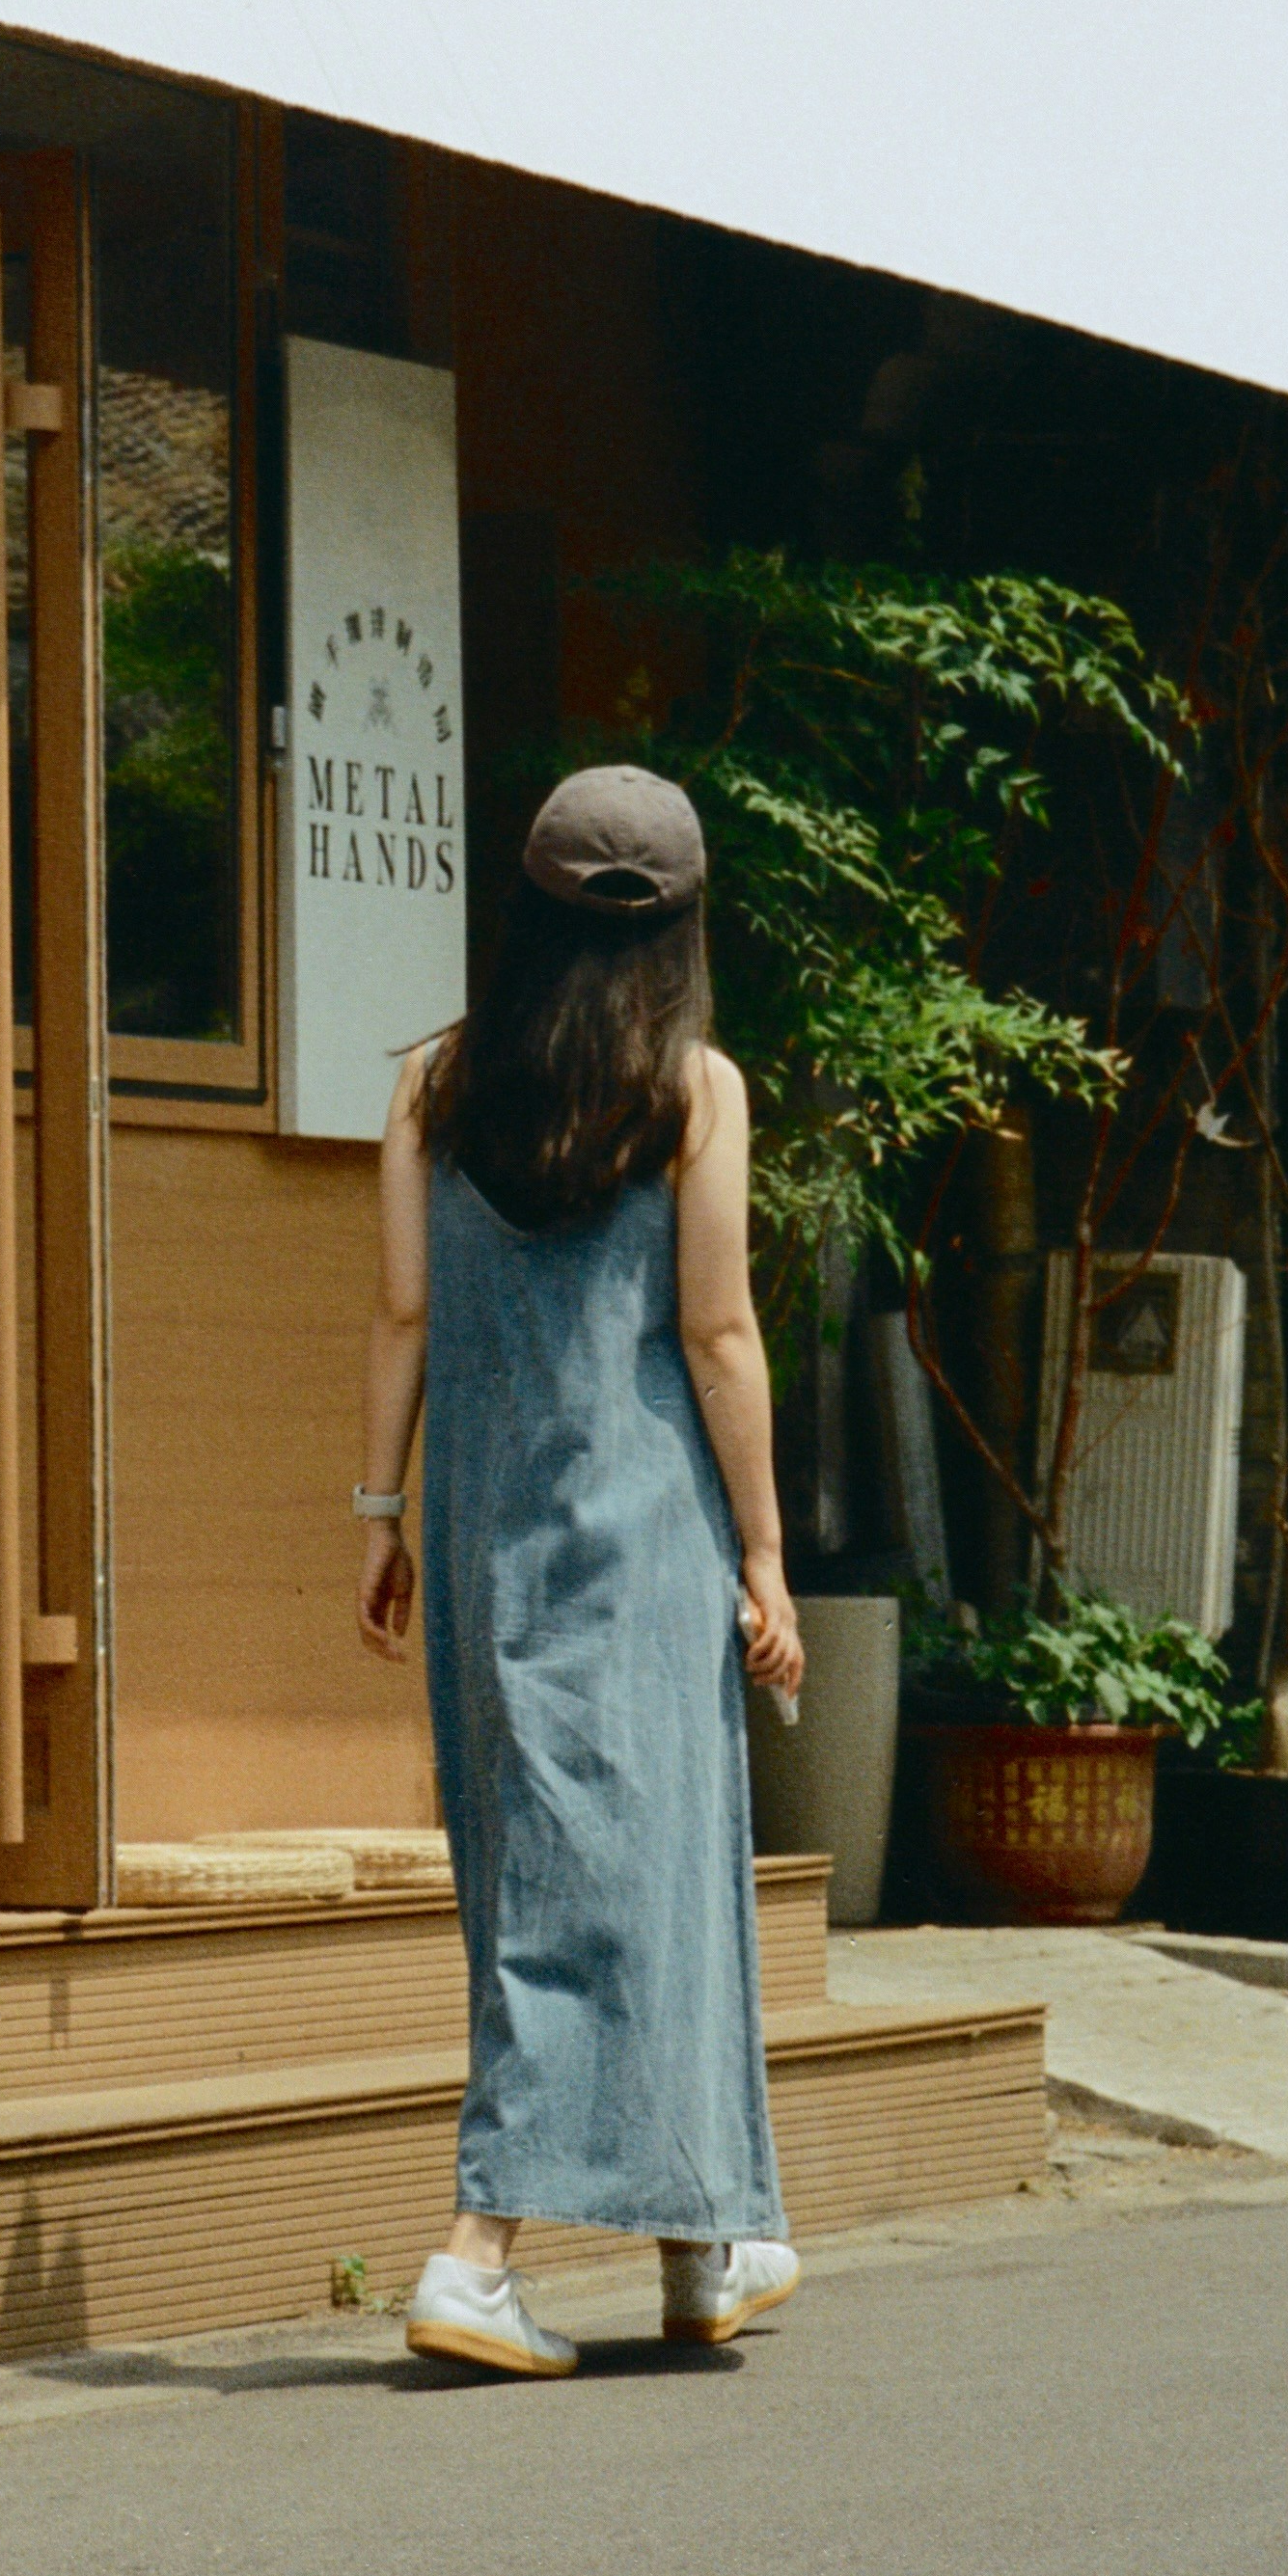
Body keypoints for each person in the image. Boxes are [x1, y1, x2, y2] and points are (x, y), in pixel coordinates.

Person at [353, 762, 812, 2376]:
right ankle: (476, 2251)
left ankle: (704, 2240)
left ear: (524, 910)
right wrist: (766, 1549)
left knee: (576, 1873)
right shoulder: (695, 1089)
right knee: (622, 1876)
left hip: (490, 1533)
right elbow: (718, 1332)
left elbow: (404, 1313)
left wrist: (378, 1512)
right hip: (649, 1535)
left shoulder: (430, 1084)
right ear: (680, 927)